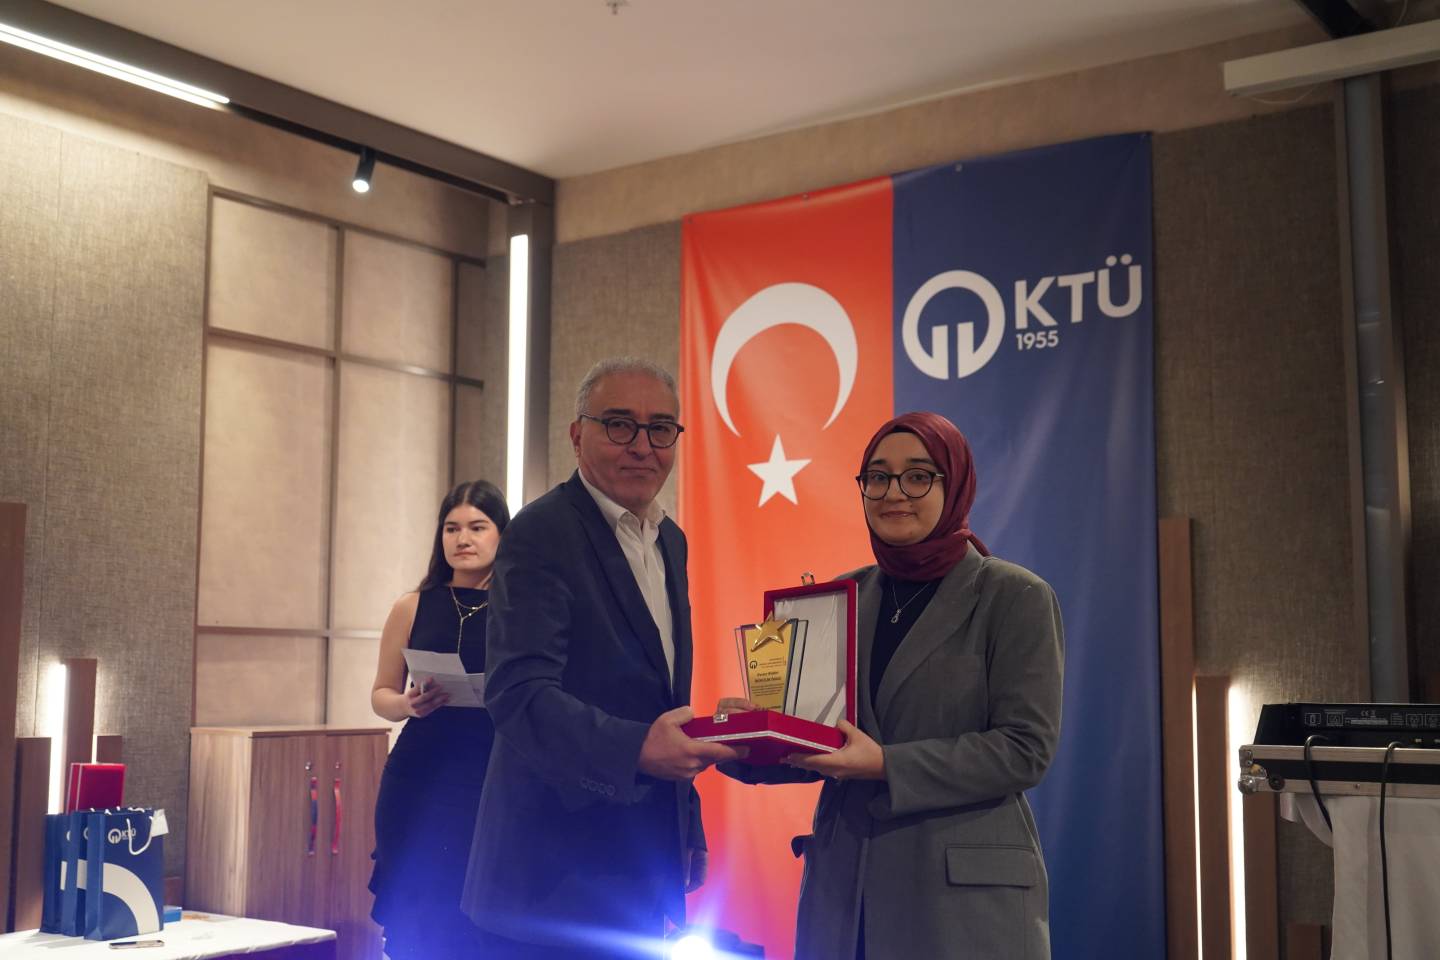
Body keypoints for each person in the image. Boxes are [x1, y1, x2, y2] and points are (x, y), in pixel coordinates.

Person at [722, 411, 1064, 960]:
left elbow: (1024, 750)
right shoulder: (841, 596)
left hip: (960, 907)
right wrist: (748, 739)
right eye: (877, 477)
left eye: (918, 476)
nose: (894, 493)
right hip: (846, 896)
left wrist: (885, 764)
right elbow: (819, 740)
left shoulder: (1014, 596)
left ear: (955, 485)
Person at [463, 357, 742, 959]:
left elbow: (661, 701)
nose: (642, 445)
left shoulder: (669, 540)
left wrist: (684, 823)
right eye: (619, 424)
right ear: (577, 434)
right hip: (551, 881)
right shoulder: (541, 531)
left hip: (640, 863)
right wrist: (637, 748)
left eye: (660, 428)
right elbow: (518, 693)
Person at [367, 479, 509, 960]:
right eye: (451, 528)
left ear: (501, 534)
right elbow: (381, 694)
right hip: (420, 771)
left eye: (477, 527)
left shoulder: (520, 607)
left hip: (490, 772)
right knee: (417, 913)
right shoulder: (411, 605)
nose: (462, 538)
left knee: (475, 917)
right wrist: (406, 704)